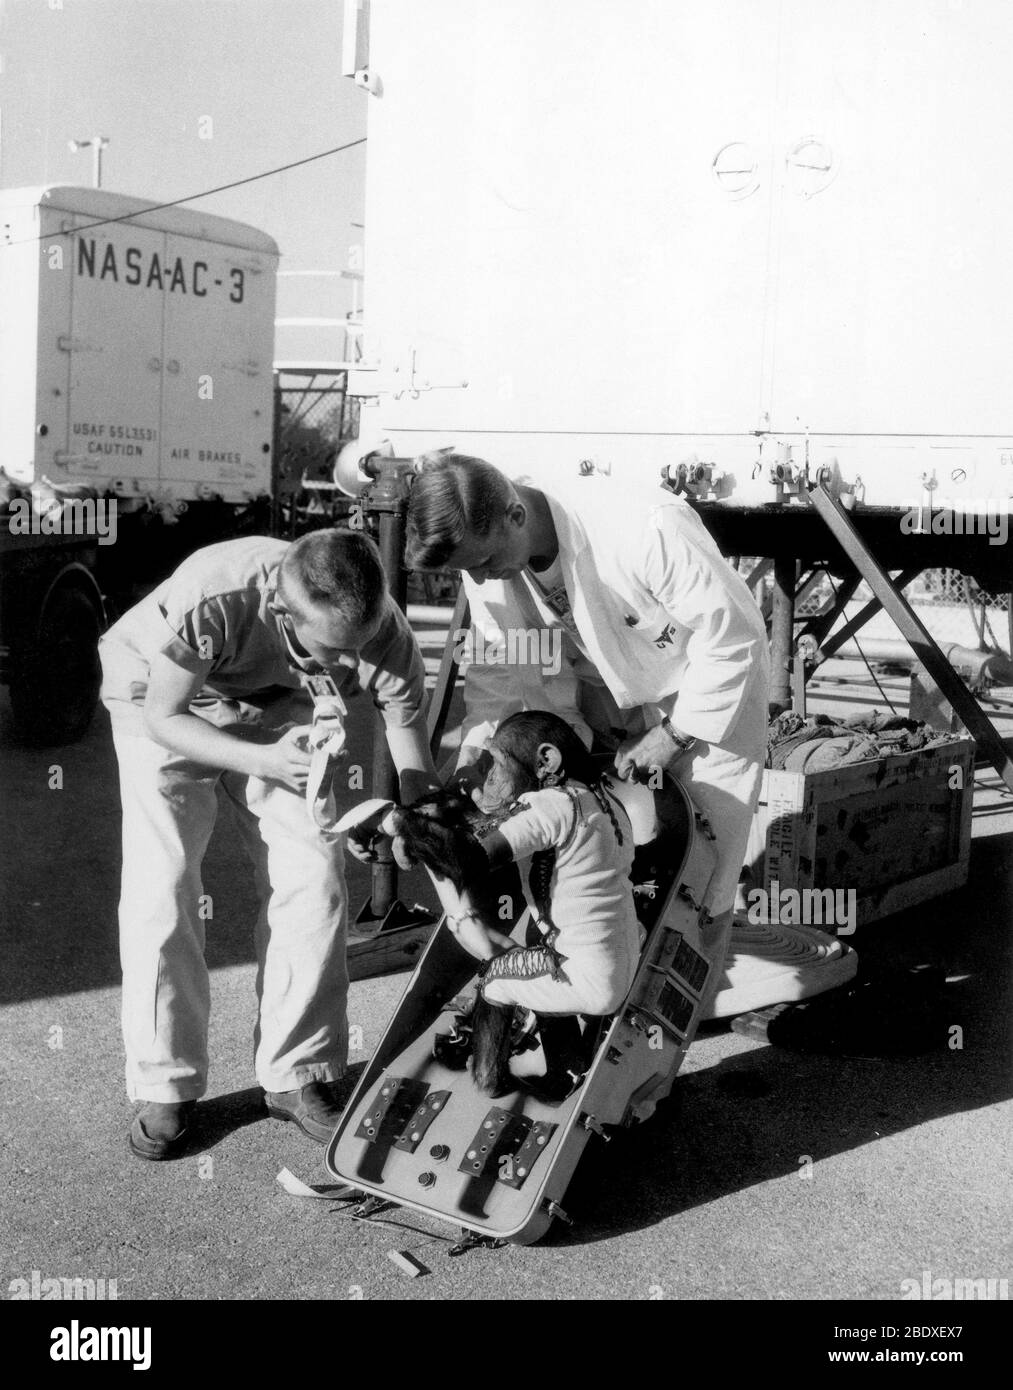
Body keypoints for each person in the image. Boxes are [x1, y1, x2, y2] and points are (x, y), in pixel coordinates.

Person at [404, 452, 824, 1021]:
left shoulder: (642, 527)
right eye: (467, 571)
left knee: (704, 864)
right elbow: (499, 668)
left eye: (482, 563)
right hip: (594, 691)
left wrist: (676, 734)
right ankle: (604, 983)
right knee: (595, 846)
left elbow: (733, 634)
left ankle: (669, 1022)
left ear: (513, 513)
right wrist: (479, 759)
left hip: (699, 692)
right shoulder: (487, 563)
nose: (478, 580)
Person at [99, 528, 437, 1159]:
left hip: (282, 707)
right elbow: (164, 717)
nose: (346, 665)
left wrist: (400, 817)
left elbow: (409, 739)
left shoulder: (377, 624)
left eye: (356, 650)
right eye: (333, 649)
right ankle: (164, 1082)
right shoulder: (215, 595)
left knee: (316, 877)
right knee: (164, 883)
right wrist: (263, 761)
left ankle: (298, 1072)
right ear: (283, 612)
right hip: (162, 697)